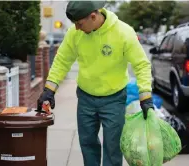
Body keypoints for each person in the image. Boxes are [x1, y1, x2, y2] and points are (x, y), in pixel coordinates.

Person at [37, 1, 154, 166]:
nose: (76, 28)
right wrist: (49, 89)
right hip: (86, 97)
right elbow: (62, 60)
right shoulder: (74, 34)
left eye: (79, 23)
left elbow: (141, 64)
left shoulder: (123, 32)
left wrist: (145, 96)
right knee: (87, 143)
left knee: (112, 147)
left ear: (93, 16)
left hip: (114, 98)